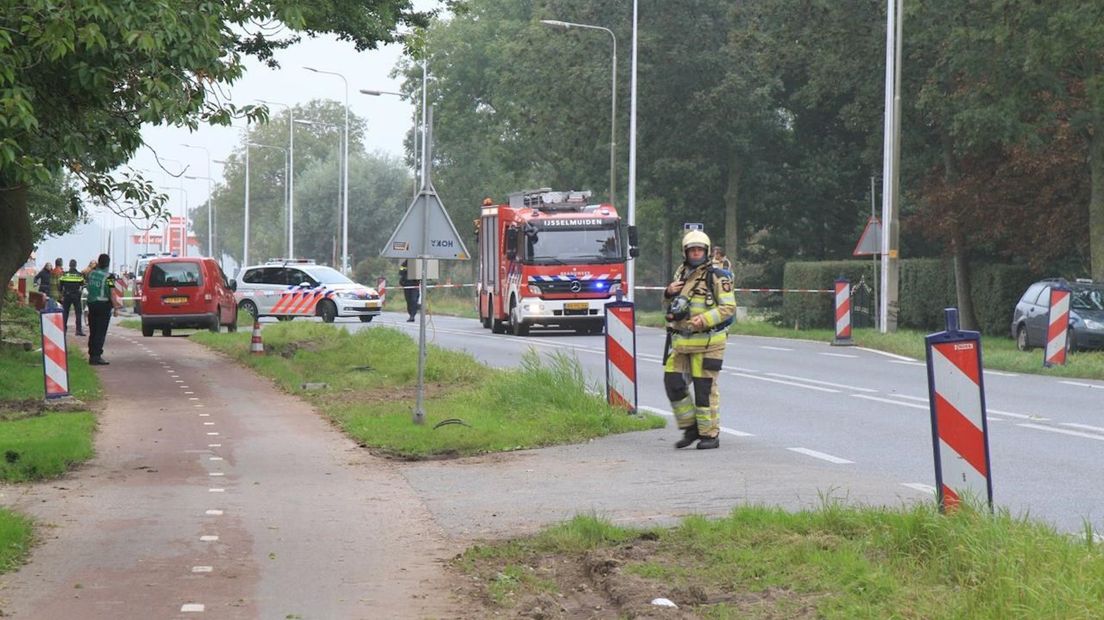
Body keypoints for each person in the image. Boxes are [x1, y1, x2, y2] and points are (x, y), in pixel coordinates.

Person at [663, 230, 736, 450]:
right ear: (685, 252)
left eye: (699, 250)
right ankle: (690, 428)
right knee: (673, 383)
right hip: (682, 343)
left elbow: (728, 308)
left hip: (709, 343)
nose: (695, 253)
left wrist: (703, 320)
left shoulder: (718, 276)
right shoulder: (681, 274)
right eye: (691, 250)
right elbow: (672, 307)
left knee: (705, 390)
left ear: (705, 251)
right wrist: (668, 293)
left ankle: (709, 434)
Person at [85, 253, 120, 366]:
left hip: (91, 304)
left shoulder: (91, 274)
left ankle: (91, 355)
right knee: (100, 332)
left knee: (93, 330)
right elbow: (112, 292)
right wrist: (116, 307)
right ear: (108, 264)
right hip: (103, 305)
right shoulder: (108, 277)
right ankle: (97, 356)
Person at [59, 259, 86, 336]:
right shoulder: (79, 275)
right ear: (75, 265)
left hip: (67, 295)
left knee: (65, 313)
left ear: (69, 265)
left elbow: (60, 285)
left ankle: (63, 330)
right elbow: (83, 285)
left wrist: (61, 293)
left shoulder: (65, 274)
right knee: (78, 313)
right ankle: (78, 330)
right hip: (76, 295)